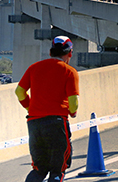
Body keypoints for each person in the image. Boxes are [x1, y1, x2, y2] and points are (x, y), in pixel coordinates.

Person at [15, 36, 80, 182]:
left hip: (34, 123)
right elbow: (73, 102)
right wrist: (73, 112)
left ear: (50, 52)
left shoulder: (33, 68)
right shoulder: (70, 71)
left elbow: (19, 91)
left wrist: (29, 107)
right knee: (58, 170)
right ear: (70, 53)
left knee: (39, 169)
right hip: (57, 124)